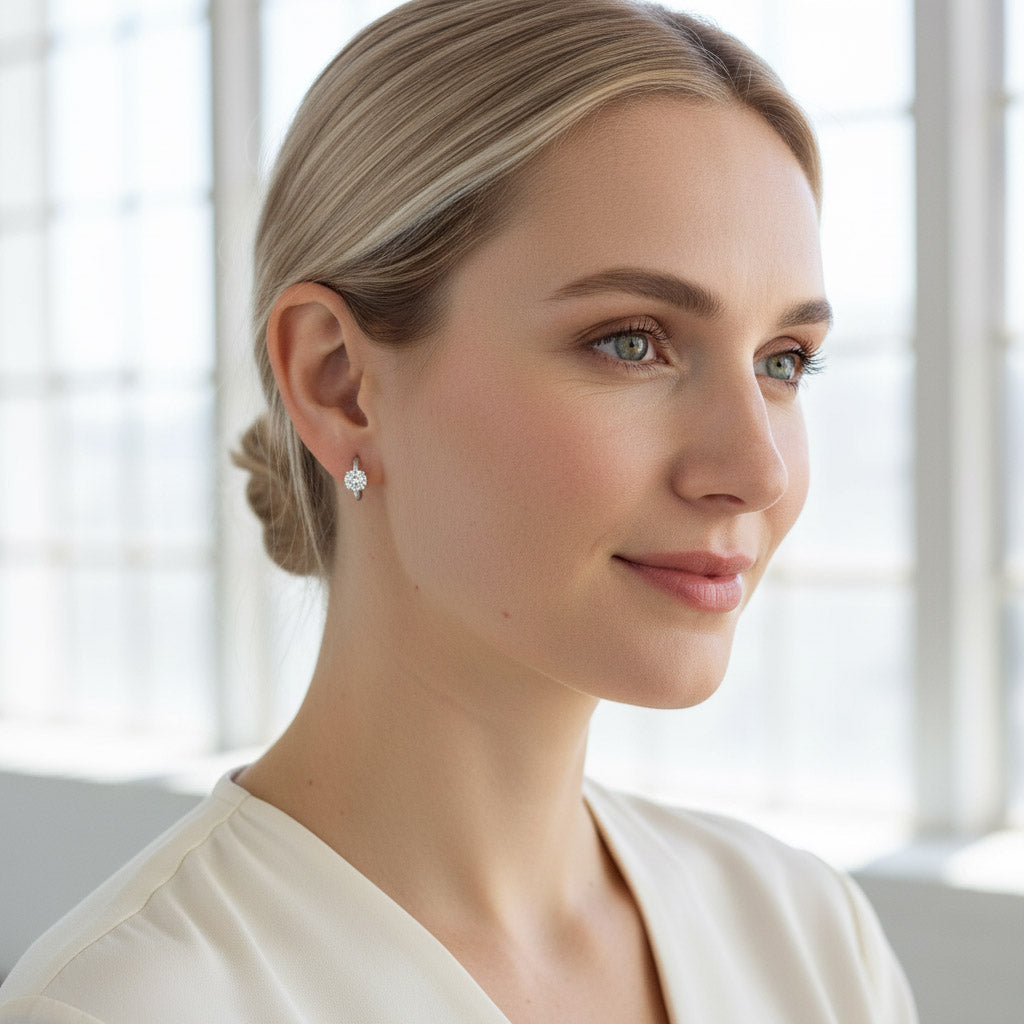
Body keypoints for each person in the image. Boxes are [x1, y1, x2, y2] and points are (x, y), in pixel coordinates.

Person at [0, 1, 918, 1020]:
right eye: (631, 341)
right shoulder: (131, 1005)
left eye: (783, 361)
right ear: (340, 382)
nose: (757, 469)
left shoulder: (809, 941)